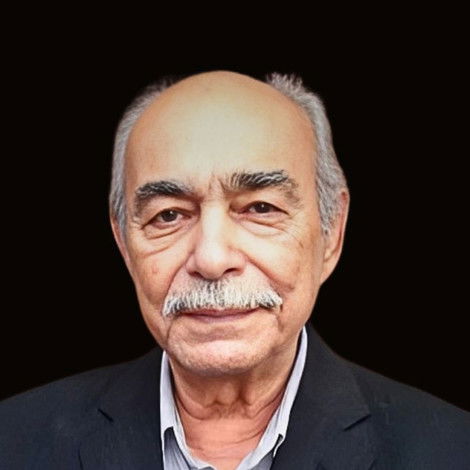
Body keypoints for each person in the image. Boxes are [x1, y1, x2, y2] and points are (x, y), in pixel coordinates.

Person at [1, 70, 468, 469]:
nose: (211, 259)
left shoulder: (450, 449)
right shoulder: (15, 441)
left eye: (260, 208)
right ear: (124, 243)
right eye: (168, 215)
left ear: (332, 233)